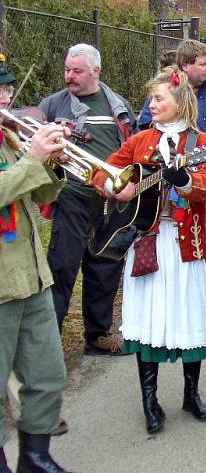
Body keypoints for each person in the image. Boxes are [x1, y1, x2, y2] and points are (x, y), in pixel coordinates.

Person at [94, 68, 206, 435]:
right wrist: (115, 187)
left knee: (190, 316)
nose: (151, 105)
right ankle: (149, 401)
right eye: (151, 99)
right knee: (151, 319)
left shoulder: (205, 143)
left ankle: (191, 394)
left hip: (189, 243)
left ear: (180, 102)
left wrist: (185, 180)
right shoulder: (139, 142)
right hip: (148, 241)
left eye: (159, 99)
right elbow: (104, 171)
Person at [138, 39, 206, 335]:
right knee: (178, 247)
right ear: (185, 66)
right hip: (171, 192)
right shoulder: (167, 93)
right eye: (203, 63)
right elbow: (145, 131)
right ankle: (178, 311)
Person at [38, 43, 137, 355]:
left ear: (96, 71)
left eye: (77, 71)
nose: (70, 76)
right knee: (62, 267)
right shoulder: (54, 105)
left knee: (105, 266)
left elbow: (131, 145)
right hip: (72, 197)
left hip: (108, 200)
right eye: (67, 70)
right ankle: (48, 342)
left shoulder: (116, 105)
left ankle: (97, 335)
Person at [0, 57, 71, 473]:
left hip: (31, 277)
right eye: (1, 91)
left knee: (46, 374)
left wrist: (53, 161)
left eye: (8, 89)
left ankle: (35, 456)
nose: (7, 97)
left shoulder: (8, 138)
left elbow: (40, 196)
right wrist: (32, 159)